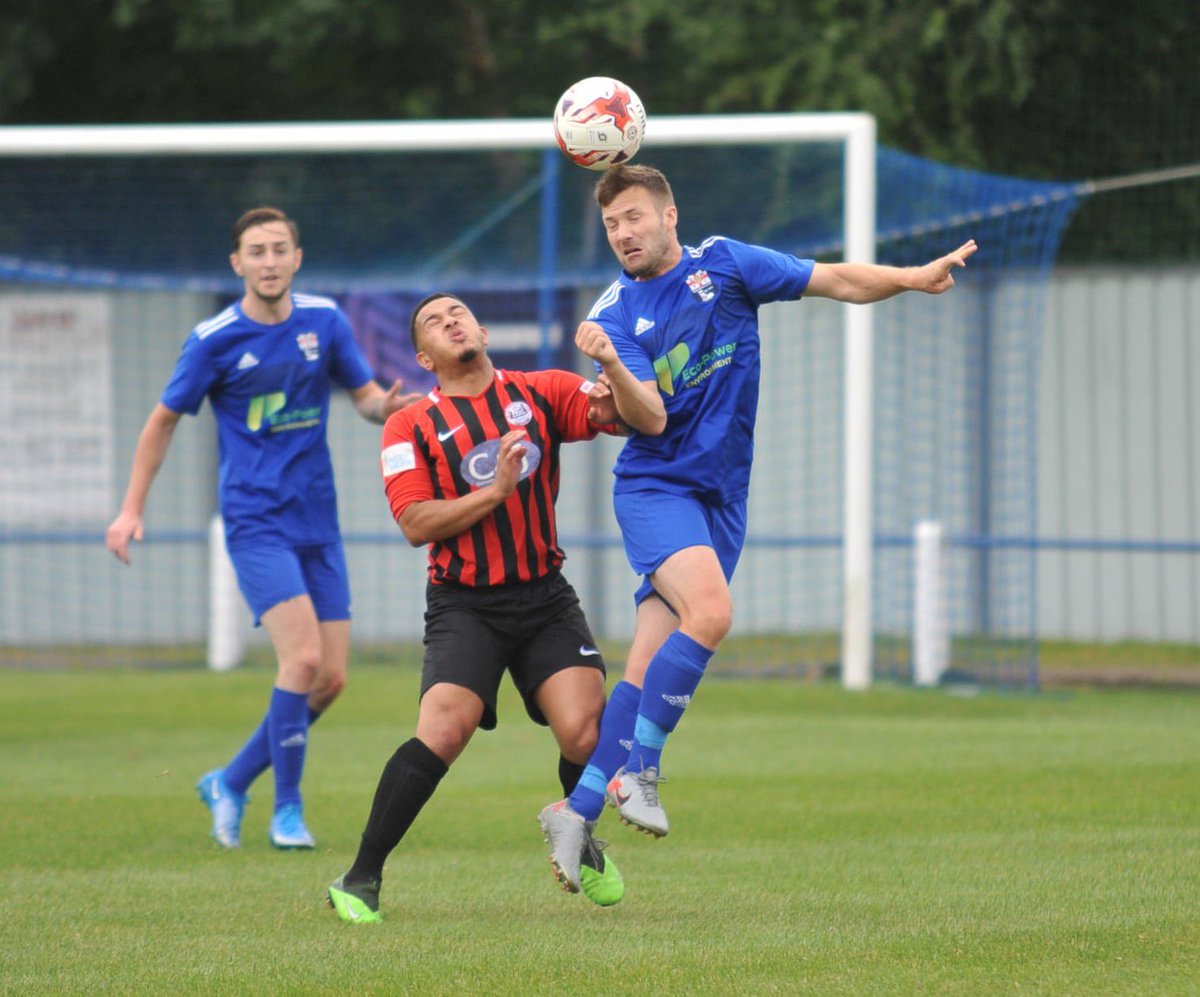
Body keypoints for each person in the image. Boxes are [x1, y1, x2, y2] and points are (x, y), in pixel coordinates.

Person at [538, 164, 978, 855]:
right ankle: (640, 772)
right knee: (711, 614)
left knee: (645, 665)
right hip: (658, 489)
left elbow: (834, 280)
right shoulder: (611, 318)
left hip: (721, 497)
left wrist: (911, 278)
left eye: (634, 217)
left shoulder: (727, 264)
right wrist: (615, 368)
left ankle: (578, 808)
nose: (623, 233)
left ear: (668, 214)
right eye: (611, 224)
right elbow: (648, 418)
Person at [105, 206, 422, 851]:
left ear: (297, 258)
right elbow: (162, 422)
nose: (269, 261)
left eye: (280, 249)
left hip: (318, 522)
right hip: (254, 522)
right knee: (301, 659)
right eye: (257, 251)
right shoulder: (213, 338)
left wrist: (383, 408)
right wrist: (131, 508)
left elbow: (362, 397)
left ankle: (230, 779)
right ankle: (287, 810)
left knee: (331, 679)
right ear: (238, 264)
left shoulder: (325, 321)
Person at [326, 292, 626, 923]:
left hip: (544, 595)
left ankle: (577, 837)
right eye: (434, 321)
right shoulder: (408, 424)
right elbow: (414, 522)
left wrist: (615, 383)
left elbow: (620, 418)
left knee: (586, 731)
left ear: (483, 329)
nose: (451, 320)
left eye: (459, 312)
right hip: (465, 603)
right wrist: (495, 492)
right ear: (422, 357)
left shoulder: (540, 391)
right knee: (442, 732)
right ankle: (360, 877)